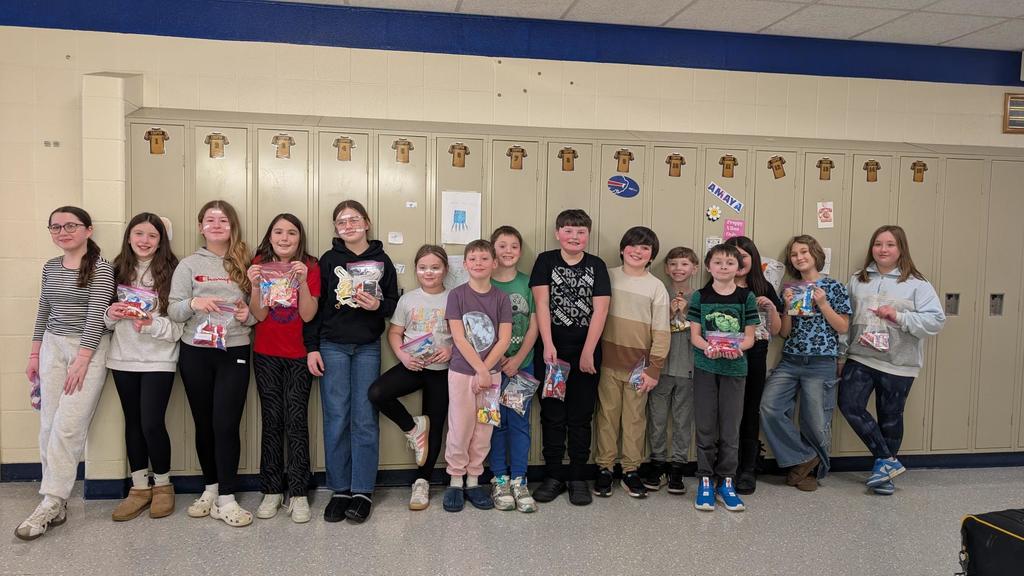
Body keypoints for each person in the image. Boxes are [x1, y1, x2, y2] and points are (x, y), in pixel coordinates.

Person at [17, 207, 115, 540]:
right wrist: (34, 352)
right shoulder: (50, 267)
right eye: (55, 227)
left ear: (88, 230)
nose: (63, 231)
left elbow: (97, 315)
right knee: (47, 423)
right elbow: (44, 307)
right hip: (52, 347)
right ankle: (54, 501)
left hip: (87, 349)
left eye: (70, 226)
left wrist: (83, 358)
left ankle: (52, 500)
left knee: (68, 426)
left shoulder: (102, 269)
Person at [305, 200, 399, 523]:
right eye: (342, 221)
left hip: (367, 347)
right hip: (332, 346)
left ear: (367, 223)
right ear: (336, 228)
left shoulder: (382, 260)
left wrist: (378, 305)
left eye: (354, 219)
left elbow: (393, 306)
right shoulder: (329, 261)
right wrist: (312, 347)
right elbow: (316, 311)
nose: (348, 225)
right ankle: (340, 489)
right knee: (336, 417)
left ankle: (362, 490)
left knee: (363, 418)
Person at [838, 225, 944, 496]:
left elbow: (935, 321)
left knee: (890, 417)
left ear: (901, 250)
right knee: (849, 404)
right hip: (860, 357)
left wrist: (898, 317)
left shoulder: (917, 284)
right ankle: (887, 460)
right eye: (878, 244)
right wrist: (841, 354)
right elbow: (845, 321)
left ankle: (884, 475)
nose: (883, 250)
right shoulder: (857, 279)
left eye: (890, 245)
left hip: (898, 362)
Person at [169, 200, 256, 527]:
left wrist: (248, 316)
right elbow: (174, 310)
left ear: (232, 226)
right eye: (210, 220)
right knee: (203, 423)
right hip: (196, 352)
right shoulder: (188, 265)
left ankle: (227, 499)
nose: (217, 225)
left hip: (233, 350)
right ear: (200, 226)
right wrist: (194, 302)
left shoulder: (245, 263)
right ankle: (210, 488)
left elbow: (256, 310)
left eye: (224, 220)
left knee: (225, 424)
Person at [529, 209, 611, 506]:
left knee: (580, 415)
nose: (574, 236)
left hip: (586, 350)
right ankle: (553, 475)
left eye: (580, 232)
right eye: (568, 230)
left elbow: (600, 309)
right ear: (557, 233)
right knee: (552, 414)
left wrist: (589, 350)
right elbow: (541, 304)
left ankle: (577, 476)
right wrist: (548, 345)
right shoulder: (545, 260)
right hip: (552, 349)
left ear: (588, 235)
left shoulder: (597, 265)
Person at [106, 213, 182, 522]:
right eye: (139, 233)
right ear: (128, 236)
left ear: (161, 240)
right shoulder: (115, 269)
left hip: (158, 359)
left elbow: (179, 325)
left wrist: (151, 325)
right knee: (133, 423)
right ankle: (138, 489)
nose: (144, 240)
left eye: (152, 235)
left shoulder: (174, 272)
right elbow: (102, 321)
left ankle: (163, 486)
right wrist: (112, 313)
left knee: (152, 423)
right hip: (122, 358)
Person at [760, 235, 850, 492]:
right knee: (769, 407)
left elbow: (842, 326)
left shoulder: (834, 287)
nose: (799, 257)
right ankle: (803, 458)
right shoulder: (790, 289)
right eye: (794, 254)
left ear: (815, 254)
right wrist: (786, 308)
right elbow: (785, 333)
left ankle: (812, 472)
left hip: (821, 362)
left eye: (804, 252)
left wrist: (822, 304)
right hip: (790, 360)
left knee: (815, 421)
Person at [246, 214, 320, 523]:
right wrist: (253, 285)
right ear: (270, 235)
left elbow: (307, 315)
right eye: (278, 232)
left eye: (291, 233)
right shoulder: (260, 263)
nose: (285, 238)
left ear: (300, 238)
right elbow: (258, 315)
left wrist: (302, 281)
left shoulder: (311, 266)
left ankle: (299, 492)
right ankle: (272, 489)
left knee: (297, 421)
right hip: (266, 354)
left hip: (300, 356)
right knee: (272, 421)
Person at [367, 245, 452, 511]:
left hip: (443, 371)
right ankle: (414, 429)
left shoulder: (455, 298)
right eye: (423, 267)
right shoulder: (408, 300)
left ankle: (422, 482)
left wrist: (451, 350)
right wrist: (403, 357)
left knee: (436, 423)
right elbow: (394, 333)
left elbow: (464, 336)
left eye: (435, 267)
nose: (429, 272)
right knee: (377, 393)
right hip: (413, 366)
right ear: (416, 270)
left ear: (445, 270)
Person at [593, 227, 670, 499]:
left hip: (640, 368)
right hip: (607, 364)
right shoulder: (608, 276)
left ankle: (630, 470)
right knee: (607, 418)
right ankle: (604, 468)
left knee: (635, 420)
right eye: (633, 246)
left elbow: (662, 331)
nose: (638, 251)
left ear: (652, 256)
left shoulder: (656, 286)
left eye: (645, 248)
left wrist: (655, 368)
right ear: (623, 248)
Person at [442, 240, 512, 512]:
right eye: (473, 259)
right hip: (462, 373)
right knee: (460, 426)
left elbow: (504, 339)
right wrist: (480, 370)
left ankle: (474, 480)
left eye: (485, 258)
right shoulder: (457, 295)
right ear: (465, 264)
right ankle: (456, 480)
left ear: (494, 263)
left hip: (492, 378)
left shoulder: (501, 298)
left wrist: (488, 371)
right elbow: (458, 337)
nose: (479, 263)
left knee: (484, 429)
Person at [688, 243, 758, 512]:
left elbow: (750, 337)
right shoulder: (700, 296)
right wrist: (711, 348)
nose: (723, 267)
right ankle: (705, 480)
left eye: (730, 263)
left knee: (730, 429)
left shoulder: (746, 298)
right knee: (706, 427)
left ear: (738, 268)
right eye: (718, 262)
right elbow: (695, 336)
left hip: (735, 370)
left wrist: (735, 348)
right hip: (706, 369)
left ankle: (726, 481)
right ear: (709, 266)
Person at [722, 236, 782, 495]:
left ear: (753, 259)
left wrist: (770, 308)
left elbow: (777, 331)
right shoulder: (718, 286)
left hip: (754, 359)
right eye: (733, 255)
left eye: (744, 255)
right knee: (725, 413)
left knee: (749, 412)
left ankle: (747, 468)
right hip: (724, 358)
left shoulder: (763, 286)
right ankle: (725, 467)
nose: (739, 260)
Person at [641, 246, 699, 495]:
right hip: (660, 369)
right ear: (666, 268)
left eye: (684, 264)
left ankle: (677, 466)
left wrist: (685, 311)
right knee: (657, 419)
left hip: (688, 369)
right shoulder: (658, 291)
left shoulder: (700, 297)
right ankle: (657, 463)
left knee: (682, 420)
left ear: (694, 269)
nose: (678, 269)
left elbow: (706, 331)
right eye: (673, 264)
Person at [488, 226, 539, 513]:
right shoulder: (484, 284)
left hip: (522, 366)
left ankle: (520, 480)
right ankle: (499, 479)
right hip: (492, 369)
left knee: (519, 423)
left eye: (514, 246)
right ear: (493, 250)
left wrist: (518, 358)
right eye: (502, 246)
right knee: (495, 422)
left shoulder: (528, 284)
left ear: (521, 251)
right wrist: (496, 361)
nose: (508, 251)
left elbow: (534, 325)